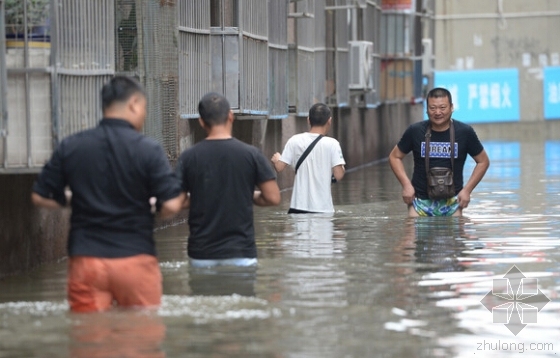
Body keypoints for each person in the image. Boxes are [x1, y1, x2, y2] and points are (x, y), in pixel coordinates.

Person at [31, 76, 184, 312]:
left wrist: (75, 199)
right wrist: (155, 209)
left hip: (87, 260)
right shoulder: (148, 149)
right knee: (140, 341)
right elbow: (173, 204)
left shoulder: (72, 146)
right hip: (135, 258)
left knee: (90, 340)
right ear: (133, 103)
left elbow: (40, 196)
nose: (144, 115)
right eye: (144, 107)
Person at [176, 92, 280, 268]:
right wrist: (244, 194)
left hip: (202, 254)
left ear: (201, 121)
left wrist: (204, 196)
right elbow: (273, 197)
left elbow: (177, 201)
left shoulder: (188, 157)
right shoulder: (251, 154)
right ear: (230, 116)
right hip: (241, 253)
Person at [388, 87, 490, 217]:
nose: (437, 112)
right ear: (426, 109)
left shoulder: (465, 132)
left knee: (459, 236)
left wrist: (467, 191)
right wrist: (406, 185)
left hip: (453, 202)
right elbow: (394, 157)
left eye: (442, 108)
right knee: (410, 236)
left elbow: (483, 161)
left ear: (451, 107)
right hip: (420, 201)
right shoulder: (415, 131)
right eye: (432, 108)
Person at [270, 103, 346, 214]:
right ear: (329, 121)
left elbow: (279, 167)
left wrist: (277, 159)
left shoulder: (294, 140)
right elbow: (339, 174)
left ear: (308, 120)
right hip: (323, 209)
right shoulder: (332, 144)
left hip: (298, 207)